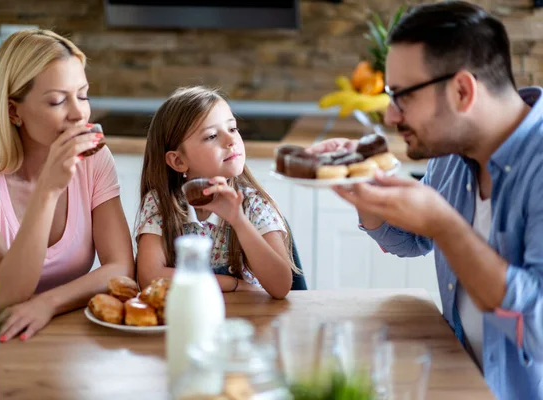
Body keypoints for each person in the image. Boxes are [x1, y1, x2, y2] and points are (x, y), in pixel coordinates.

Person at [309, 2, 543, 398]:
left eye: (403, 96)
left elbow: (536, 331)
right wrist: (368, 188)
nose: (391, 117)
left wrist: (445, 226)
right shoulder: (452, 154)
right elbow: (411, 241)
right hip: (459, 377)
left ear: (462, 91)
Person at [0, 30, 134, 341]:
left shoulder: (93, 161)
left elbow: (121, 267)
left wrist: (48, 304)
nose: (78, 113)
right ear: (12, 110)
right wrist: (48, 190)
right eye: (58, 101)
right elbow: (4, 295)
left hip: (61, 336)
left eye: (82, 95)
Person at [136, 86, 299, 299]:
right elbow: (150, 277)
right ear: (178, 160)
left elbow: (281, 286)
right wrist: (233, 284)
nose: (231, 140)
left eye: (232, 129)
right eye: (212, 136)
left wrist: (238, 220)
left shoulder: (254, 205)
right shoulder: (160, 203)